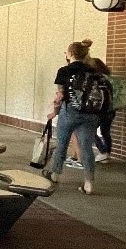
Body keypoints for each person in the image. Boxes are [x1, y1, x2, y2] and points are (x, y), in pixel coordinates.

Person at [44, 39, 102, 194]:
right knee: (86, 148)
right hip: (90, 113)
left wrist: (55, 112)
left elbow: (60, 96)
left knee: (62, 143)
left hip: (70, 112)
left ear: (70, 54)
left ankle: (55, 174)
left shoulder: (64, 71)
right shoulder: (93, 71)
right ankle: (89, 183)